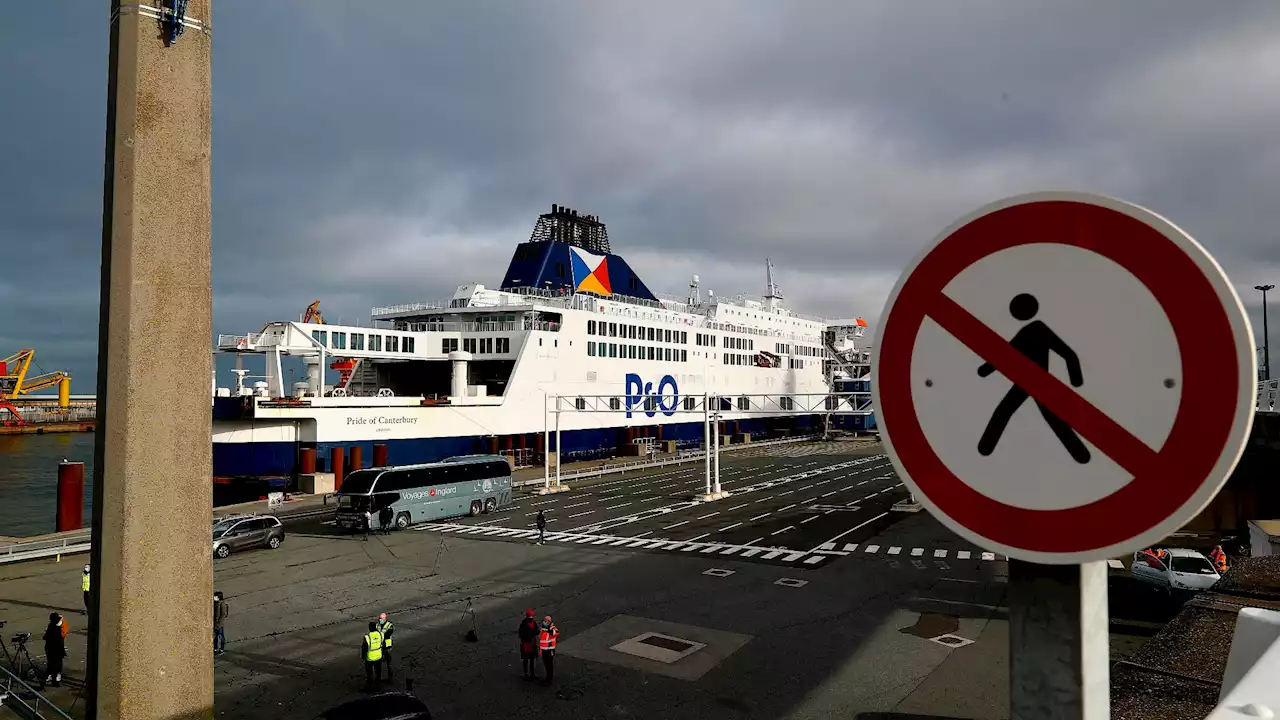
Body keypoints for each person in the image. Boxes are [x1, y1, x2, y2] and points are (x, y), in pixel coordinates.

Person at [42, 613, 66, 689]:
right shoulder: (56, 628)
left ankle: (46, 679)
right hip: (56, 650)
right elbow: (59, 638)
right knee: (56, 666)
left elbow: (45, 637)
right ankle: (54, 682)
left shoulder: (51, 626)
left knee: (50, 665)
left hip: (50, 649)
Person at [517, 609, 540, 681]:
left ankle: (532, 673)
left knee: (532, 659)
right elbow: (522, 634)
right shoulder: (524, 624)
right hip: (526, 644)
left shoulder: (533, 622)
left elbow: (536, 631)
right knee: (526, 660)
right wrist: (531, 634)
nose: (531, 619)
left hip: (531, 644)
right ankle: (526, 674)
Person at [362, 620, 384, 691]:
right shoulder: (381, 634)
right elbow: (383, 645)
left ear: (369, 628)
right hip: (378, 656)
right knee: (378, 672)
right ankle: (378, 686)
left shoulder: (367, 637)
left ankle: (369, 686)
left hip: (370, 657)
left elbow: (364, 648)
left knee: (369, 672)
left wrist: (363, 656)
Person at [538, 615, 559, 685]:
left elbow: (555, 633)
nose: (544, 622)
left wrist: (548, 629)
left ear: (549, 622)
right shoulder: (542, 629)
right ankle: (547, 678)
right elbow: (541, 639)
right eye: (544, 620)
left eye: (546, 621)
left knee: (549, 665)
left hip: (550, 651)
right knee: (546, 665)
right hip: (544, 650)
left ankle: (549, 679)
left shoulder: (553, 628)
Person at [375, 612, 394, 680]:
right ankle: (379, 677)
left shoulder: (389, 625)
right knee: (379, 662)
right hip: (380, 646)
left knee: (388, 662)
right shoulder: (377, 625)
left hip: (387, 646)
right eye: (380, 618)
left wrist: (379, 636)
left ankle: (390, 676)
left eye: (382, 618)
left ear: (385, 619)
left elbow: (388, 634)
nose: (380, 620)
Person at [214, 591, 229, 655]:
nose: (214, 597)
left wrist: (218, 624)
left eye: (215, 596)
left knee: (221, 636)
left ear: (219, 597)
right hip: (214, 623)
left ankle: (222, 649)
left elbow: (223, 614)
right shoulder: (215, 603)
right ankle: (215, 648)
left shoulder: (222, 604)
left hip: (219, 624)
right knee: (215, 636)